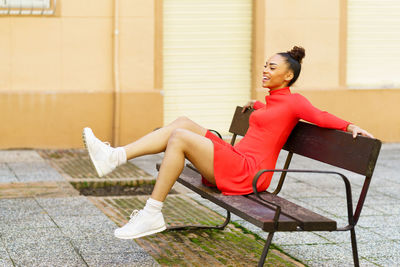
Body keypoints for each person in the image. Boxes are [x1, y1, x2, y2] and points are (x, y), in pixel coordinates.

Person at [82, 46, 373, 240]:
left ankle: (152, 213)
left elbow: (319, 116)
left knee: (180, 137)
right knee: (182, 122)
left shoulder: (295, 102)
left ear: (289, 75)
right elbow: (272, 116)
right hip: (237, 158)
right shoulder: (271, 103)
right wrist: (257, 105)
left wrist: (350, 126)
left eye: (272, 68)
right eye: (265, 66)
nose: (265, 70)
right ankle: (114, 156)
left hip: (249, 173)